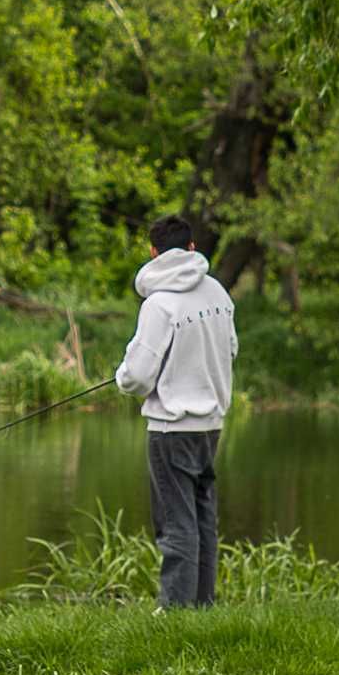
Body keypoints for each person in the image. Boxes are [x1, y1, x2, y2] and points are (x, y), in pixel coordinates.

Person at [114, 212, 238, 608]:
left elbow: (135, 378)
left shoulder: (159, 305)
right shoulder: (218, 294)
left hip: (170, 428)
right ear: (191, 248)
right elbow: (231, 349)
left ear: (153, 253)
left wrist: (121, 375)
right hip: (211, 427)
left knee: (175, 523)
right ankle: (202, 605)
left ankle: (175, 610)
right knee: (203, 518)